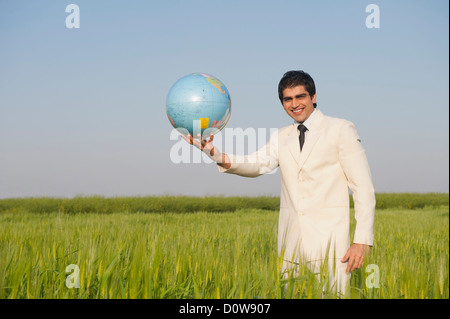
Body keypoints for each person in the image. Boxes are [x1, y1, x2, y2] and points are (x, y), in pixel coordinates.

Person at [182, 70, 375, 297]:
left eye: (300, 96)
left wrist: (361, 242)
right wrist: (213, 152)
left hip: (331, 248)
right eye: (287, 99)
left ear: (313, 97)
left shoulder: (341, 129)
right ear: (282, 103)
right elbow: (256, 164)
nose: (294, 104)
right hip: (290, 248)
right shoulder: (281, 136)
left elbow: (363, 188)